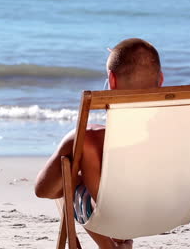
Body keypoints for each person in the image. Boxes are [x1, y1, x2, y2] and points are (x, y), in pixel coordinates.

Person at [35, 38, 164, 249]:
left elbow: (43, 191)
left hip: (117, 217)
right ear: (161, 79)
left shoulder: (90, 137)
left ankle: (109, 246)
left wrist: (75, 139)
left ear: (112, 80)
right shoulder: (179, 128)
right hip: (169, 211)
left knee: (72, 174)